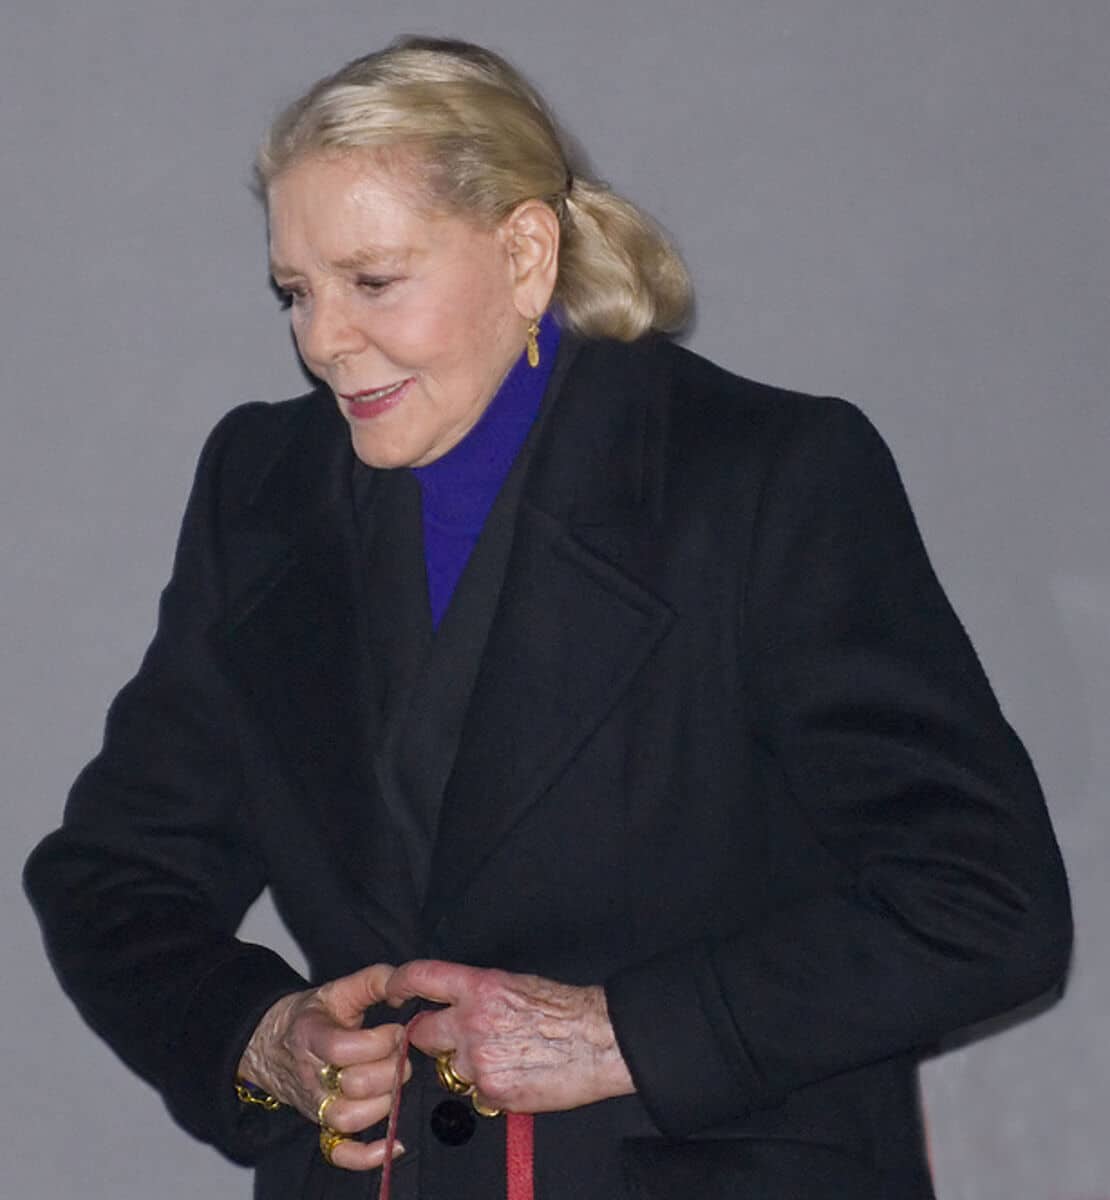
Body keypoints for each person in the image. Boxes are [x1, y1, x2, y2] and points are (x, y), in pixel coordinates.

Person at [25, 34, 1071, 1200]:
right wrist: (261, 1039)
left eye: (373, 281)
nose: (321, 340)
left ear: (525, 253)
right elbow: (114, 875)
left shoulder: (764, 477)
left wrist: (620, 1036)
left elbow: (986, 903)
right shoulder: (261, 491)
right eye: (296, 292)